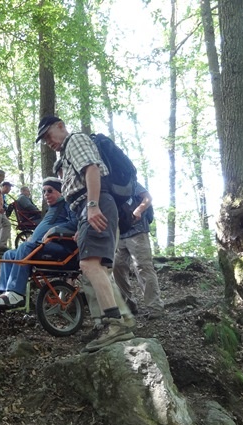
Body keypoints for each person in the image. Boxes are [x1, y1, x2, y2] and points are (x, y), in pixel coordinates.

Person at [36, 115, 136, 351]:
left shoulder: (75, 141)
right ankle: (112, 322)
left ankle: (115, 324)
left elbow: (92, 170)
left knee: (90, 265)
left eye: (48, 135)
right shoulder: (66, 151)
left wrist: (92, 206)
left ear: (60, 126)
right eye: (44, 139)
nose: (47, 141)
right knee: (95, 266)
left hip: (93, 203)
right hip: (85, 208)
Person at [0, 177, 77, 309]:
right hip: (42, 246)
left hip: (62, 249)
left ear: (60, 192)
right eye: (44, 191)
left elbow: (75, 223)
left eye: (50, 191)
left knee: (25, 246)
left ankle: (16, 294)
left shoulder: (67, 204)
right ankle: (5, 294)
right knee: (9, 255)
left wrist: (55, 230)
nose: (46, 194)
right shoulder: (52, 209)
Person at [113, 182, 165, 319]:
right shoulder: (107, 185)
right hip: (120, 233)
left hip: (138, 231)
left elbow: (148, 197)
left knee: (143, 267)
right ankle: (128, 304)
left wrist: (139, 210)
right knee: (116, 267)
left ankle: (155, 307)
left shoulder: (130, 182)